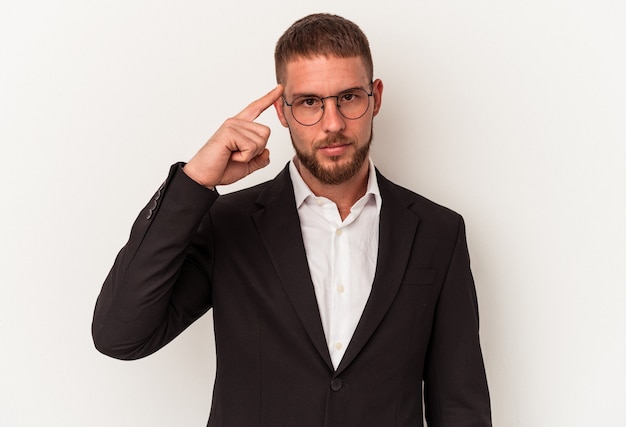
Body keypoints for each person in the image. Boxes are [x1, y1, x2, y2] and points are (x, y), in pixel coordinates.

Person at [92, 13, 491, 427]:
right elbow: (119, 335)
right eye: (309, 103)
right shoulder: (229, 223)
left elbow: (460, 406)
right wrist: (194, 182)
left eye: (349, 97)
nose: (333, 124)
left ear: (376, 96)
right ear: (282, 112)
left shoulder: (438, 232)